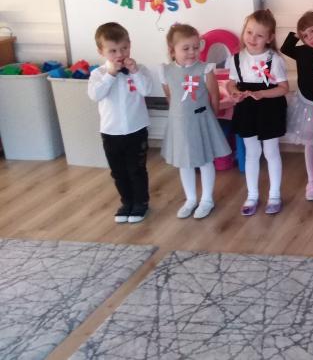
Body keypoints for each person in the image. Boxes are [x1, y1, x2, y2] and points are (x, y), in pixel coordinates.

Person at [160, 23, 231, 219]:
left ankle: (207, 199)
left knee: (206, 160)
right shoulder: (165, 71)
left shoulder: (205, 69)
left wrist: (210, 119)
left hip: (202, 121)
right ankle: (190, 199)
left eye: (195, 47)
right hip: (179, 124)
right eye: (186, 48)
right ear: (172, 50)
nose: (192, 52)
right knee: (185, 163)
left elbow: (214, 96)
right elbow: (170, 96)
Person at [225, 9, 289, 217]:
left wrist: (262, 93)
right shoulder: (236, 58)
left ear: (269, 38)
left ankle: (275, 195)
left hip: (269, 109)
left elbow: (283, 88)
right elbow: (231, 83)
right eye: (249, 32)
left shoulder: (274, 59)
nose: (252, 38)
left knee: (271, 152)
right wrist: (234, 92)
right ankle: (252, 195)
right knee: (252, 153)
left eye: (259, 35)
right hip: (247, 110)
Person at [88, 22, 153, 224]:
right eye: (113, 50)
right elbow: (95, 95)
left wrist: (135, 72)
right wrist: (110, 75)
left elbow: (146, 90)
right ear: (101, 51)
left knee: (137, 169)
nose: (120, 54)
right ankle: (127, 202)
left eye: (124, 48)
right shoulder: (98, 74)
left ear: (130, 45)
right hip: (111, 132)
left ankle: (141, 203)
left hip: (136, 129)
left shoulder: (139, 70)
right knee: (118, 171)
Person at [281, 10, 313, 201]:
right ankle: (311, 181)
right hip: (307, 105)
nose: (310, 37)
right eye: (305, 35)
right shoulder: (302, 51)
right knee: (310, 144)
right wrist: (298, 33)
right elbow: (286, 47)